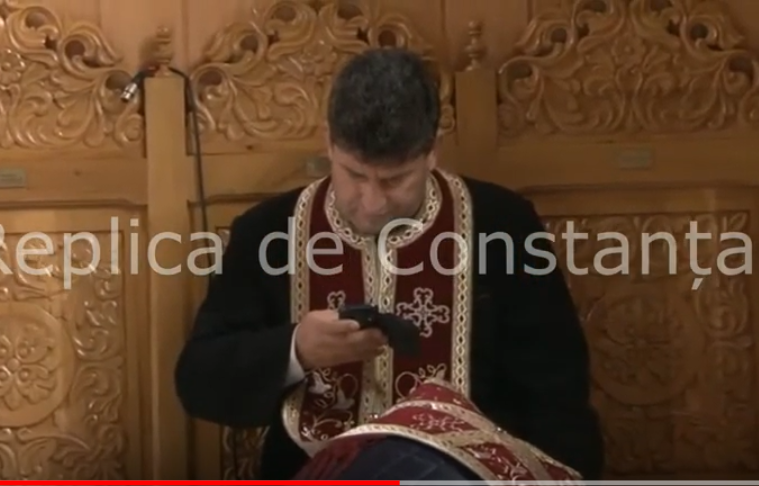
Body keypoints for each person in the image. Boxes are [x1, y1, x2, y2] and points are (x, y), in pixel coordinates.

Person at [174, 47, 604, 480]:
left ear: (432, 151)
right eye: (355, 175)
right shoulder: (268, 231)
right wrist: (296, 349)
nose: (373, 203)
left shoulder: (503, 225)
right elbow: (198, 381)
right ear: (328, 141)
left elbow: (559, 399)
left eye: (395, 179)